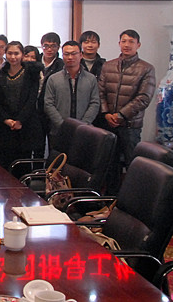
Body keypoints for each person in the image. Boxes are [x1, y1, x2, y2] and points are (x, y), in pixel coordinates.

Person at [98, 29, 156, 194]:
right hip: (109, 123)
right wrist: (106, 114)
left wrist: (121, 115)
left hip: (130, 125)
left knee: (133, 164)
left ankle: (133, 198)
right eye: (124, 41)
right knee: (110, 164)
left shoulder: (146, 68)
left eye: (131, 41)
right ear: (119, 43)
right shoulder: (108, 66)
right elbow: (100, 93)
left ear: (138, 45)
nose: (127, 45)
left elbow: (144, 97)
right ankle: (110, 198)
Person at [0, 41, 44, 169]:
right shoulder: (0, 74)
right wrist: (6, 119)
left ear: (22, 55)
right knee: (3, 166)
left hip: (25, 126)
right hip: (4, 127)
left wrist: (19, 120)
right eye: (10, 53)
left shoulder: (31, 74)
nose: (13, 57)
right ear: (5, 54)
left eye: (16, 53)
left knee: (22, 166)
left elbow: (31, 99)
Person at [43, 41, 100, 148]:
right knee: (58, 158)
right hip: (58, 131)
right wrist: (62, 125)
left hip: (85, 131)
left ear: (81, 55)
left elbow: (95, 103)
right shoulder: (53, 79)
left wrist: (83, 125)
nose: (70, 57)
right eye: (66, 54)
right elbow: (48, 104)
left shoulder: (91, 79)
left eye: (74, 54)